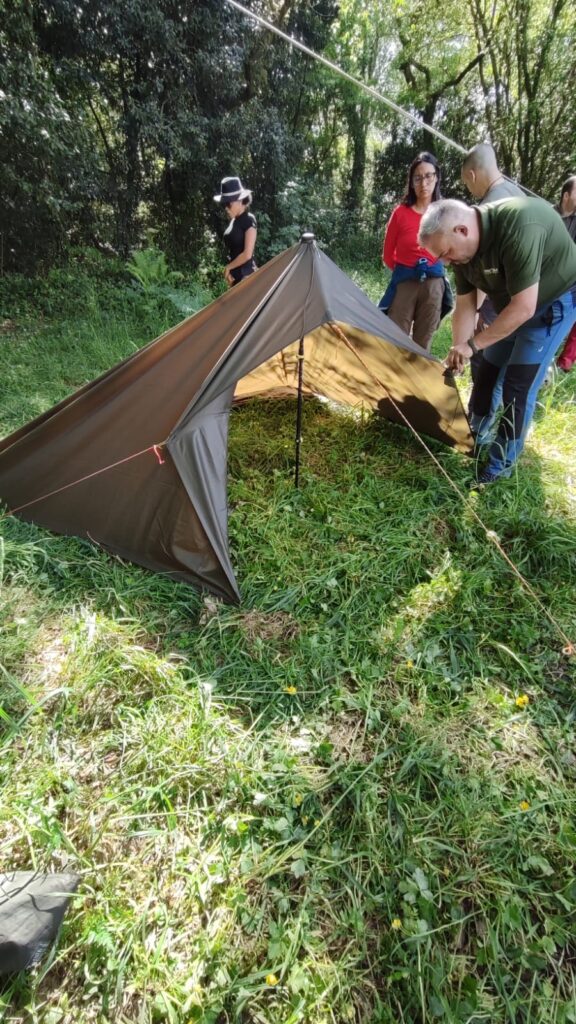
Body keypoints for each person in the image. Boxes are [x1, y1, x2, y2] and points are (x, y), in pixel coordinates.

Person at [418, 197, 576, 484]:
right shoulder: (462, 253)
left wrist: (474, 343)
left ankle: (500, 464)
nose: (444, 262)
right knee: (488, 370)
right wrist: (460, 348)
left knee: (518, 386)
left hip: (553, 302)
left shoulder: (518, 226)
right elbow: (466, 305)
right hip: (511, 305)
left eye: (444, 253)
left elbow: (525, 308)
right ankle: (475, 434)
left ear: (462, 230)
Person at [461, 144, 525, 429]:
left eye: (466, 182)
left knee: (489, 369)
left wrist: (479, 316)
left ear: (472, 174)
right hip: (521, 298)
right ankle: (480, 421)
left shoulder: (491, 206)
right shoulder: (516, 192)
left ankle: (479, 428)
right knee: (495, 369)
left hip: (512, 301)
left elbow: (488, 269)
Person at [379, 152, 451, 351]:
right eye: (418, 178)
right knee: (395, 339)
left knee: (422, 342)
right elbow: (387, 254)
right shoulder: (400, 213)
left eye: (429, 176)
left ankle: (414, 380)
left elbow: (451, 253)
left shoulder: (444, 213)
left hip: (433, 285)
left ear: (436, 178)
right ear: (411, 182)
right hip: (404, 283)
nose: (423, 183)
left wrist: (431, 267)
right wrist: (407, 269)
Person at [213, 176, 257, 287]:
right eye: (224, 204)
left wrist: (228, 267)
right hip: (235, 280)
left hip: (247, 278)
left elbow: (247, 254)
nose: (226, 208)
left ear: (240, 200)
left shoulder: (248, 219)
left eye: (229, 204)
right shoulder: (234, 221)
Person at [555, 175, 576, 372]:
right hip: (547, 285)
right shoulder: (550, 215)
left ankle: (563, 363)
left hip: (570, 289)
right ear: (567, 195)